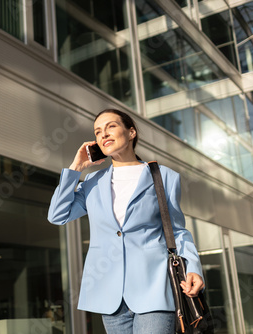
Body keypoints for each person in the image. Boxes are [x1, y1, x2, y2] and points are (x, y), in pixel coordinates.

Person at [47, 109, 204, 333]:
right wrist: (76, 169)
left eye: (111, 126)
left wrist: (194, 267)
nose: (103, 134)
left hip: (154, 287)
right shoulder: (93, 182)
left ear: (131, 132)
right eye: (98, 131)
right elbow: (57, 215)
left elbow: (178, 230)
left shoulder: (164, 177)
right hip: (110, 295)